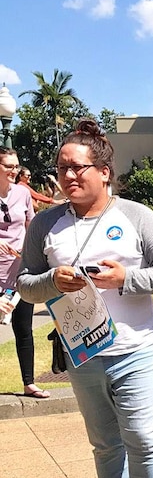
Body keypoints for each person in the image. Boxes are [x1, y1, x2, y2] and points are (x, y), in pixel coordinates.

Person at [17, 119, 153, 478]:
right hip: (82, 356)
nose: (68, 176)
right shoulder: (45, 224)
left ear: (105, 172)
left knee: (142, 438)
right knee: (106, 444)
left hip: (135, 350)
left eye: (78, 167)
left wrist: (126, 279)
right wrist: (52, 280)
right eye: (62, 168)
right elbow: (25, 284)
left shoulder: (136, 217)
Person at [0, 149, 47, 398]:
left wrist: (30, 249)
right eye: (9, 166)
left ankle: (29, 383)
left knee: (24, 329)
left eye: (16, 166)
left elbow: (31, 225)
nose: (14, 170)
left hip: (18, 274)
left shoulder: (22, 194)